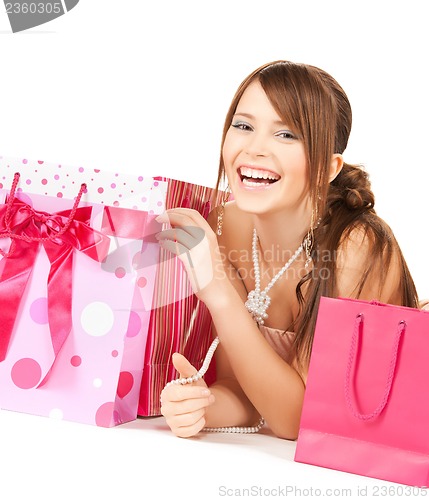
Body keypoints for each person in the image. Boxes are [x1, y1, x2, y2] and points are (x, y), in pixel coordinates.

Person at [155, 60, 419, 439]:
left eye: (287, 134)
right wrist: (203, 405)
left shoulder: (355, 248)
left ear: (329, 168)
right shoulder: (225, 226)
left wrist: (218, 293)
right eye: (243, 126)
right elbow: (248, 393)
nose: (255, 149)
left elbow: (300, 421)